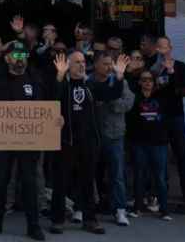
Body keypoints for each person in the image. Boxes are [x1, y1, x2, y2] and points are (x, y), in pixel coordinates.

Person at [0, 43, 58, 241]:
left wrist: (54, 119)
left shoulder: (35, 78)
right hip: (3, 141)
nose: (20, 58)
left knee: (29, 182)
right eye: (16, 54)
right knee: (0, 181)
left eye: (23, 54)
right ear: (7, 58)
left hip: (29, 141)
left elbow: (46, 106)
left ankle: (33, 226)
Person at [49, 50, 127, 235]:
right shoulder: (62, 85)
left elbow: (112, 93)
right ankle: (57, 219)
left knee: (87, 181)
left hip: (89, 142)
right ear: (67, 65)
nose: (82, 65)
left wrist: (119, 75)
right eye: (77, 62)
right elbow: (52, 99)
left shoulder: (91, 85)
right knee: (61, 182)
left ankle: (90, 220)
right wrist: (59, 76)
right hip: (66, 141)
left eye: (83, 61)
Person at [149, 35, 185, 204]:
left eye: (164, 47)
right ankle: (160, 189)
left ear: (170, 48)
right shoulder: (152, 69)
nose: (162, 51)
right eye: (159, 48)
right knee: (158, 156)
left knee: (182, 154)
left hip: (175, 116)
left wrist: (171, 74)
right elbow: (147, 90)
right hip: (157, 117)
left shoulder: (180, 67)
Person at [92, 52, 134, 226]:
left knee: (117, 174)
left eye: (111, 63)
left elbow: (129, 102)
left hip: (115, 135)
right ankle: (84, 208)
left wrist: (110, 101)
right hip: (94, 134)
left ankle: (120, 210)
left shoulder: (120, 81)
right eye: (105, 64)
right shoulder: (89, 81)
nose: (109, 67)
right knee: (89, 173)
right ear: (96, 65)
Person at [129, 70, 172, 221]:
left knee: (160, 177)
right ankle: (137, 208)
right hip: (139, 143)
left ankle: (164, 210)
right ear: (139, 82)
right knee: (139, 176)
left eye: (150, 80)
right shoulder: (134, 97)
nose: (147, 82)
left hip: (158, 143)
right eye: (144, 79)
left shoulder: (162, 97)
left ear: (154, 82)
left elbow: (172, 87)